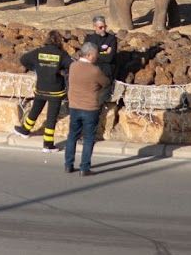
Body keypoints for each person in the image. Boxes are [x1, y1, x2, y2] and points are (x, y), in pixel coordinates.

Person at [14, 30, 72, 150]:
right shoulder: (61, 54)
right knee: (51, 117)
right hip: (56, 91)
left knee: (35, 110)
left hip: (41, 88)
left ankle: (25, 129)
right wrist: (61, 72)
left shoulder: (39, 52)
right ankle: (48, 144)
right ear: (59, 41)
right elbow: (71, 65)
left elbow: (23, 59)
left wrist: (36, 68)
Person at [63, 41, 110, 175]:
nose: (96, 57)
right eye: (95, 55)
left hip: (74, 106)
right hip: (90, 108)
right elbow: (105, 82)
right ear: (89, 55)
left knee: (72, 135)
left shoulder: (73, 66)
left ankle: (68, 164)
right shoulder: (95, 70)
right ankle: (84, 167)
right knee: (89, 138)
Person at [84, 14, 118, 81]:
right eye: (100, 27)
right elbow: (86, 58)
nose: (103, 29)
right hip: (92, 73)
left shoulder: (111, 38)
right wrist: (104, 53)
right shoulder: (89, 39)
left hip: (107, 73)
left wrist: (94, 54)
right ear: (94, 27)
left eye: (105, 26)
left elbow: (109, 58)